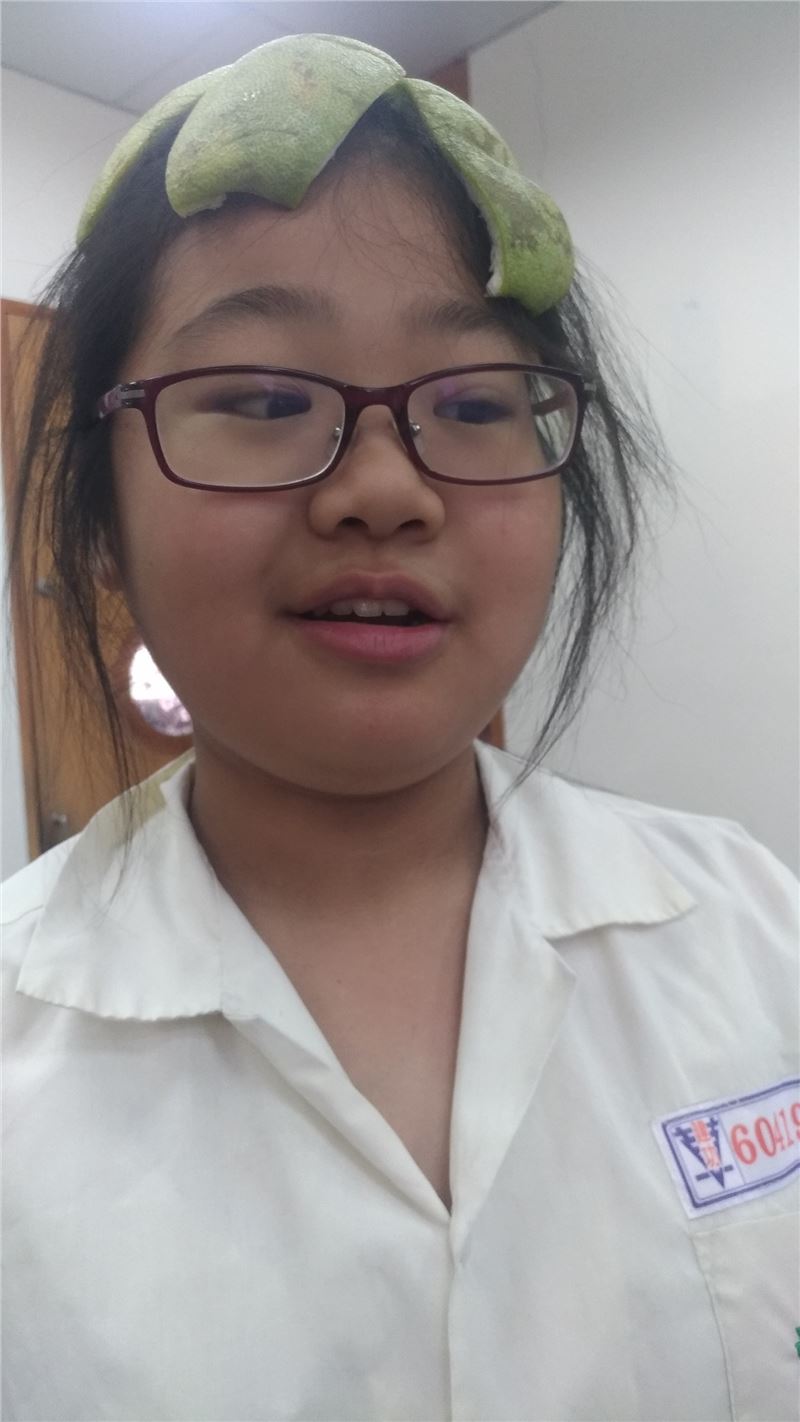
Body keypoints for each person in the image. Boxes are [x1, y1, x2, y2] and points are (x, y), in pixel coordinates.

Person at [2, 32, 797, 1422]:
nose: (384, 490)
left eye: (476, 403)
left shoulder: (754, 929)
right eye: (261, 397)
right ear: (100, 522)